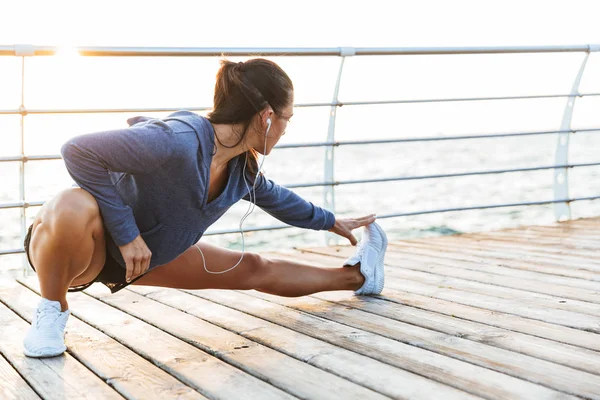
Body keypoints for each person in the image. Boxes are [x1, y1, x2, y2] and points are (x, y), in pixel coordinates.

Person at [22, 58, 387, 358]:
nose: (286, 129)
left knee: (255, 269)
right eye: (287, 118)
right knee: (71, 202)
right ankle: (52, 311)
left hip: (142, 260)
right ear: (266, 117)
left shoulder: (240, 170)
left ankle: (359, 277)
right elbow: (78, 150)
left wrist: (331, 222)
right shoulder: (177, 140)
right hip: (77, 251)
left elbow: (279, 199)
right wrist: (128, 234)